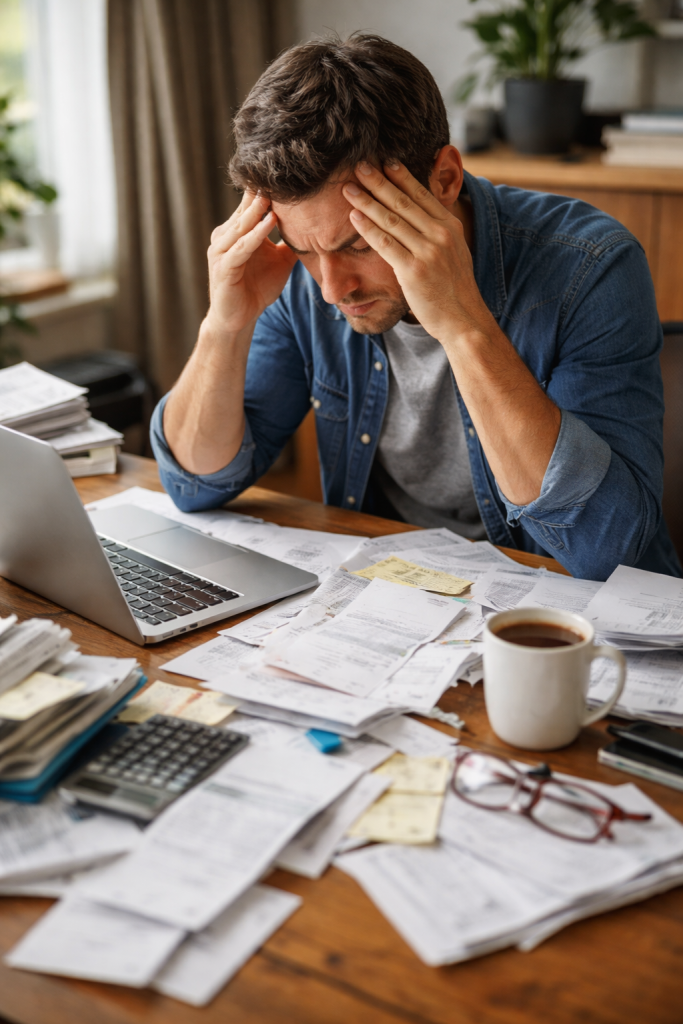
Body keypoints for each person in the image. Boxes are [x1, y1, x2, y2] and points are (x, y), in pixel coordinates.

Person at [150, 33, 681, 582]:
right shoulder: (301, 279)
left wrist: (462, 324)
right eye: (305, 250)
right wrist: (225, 325)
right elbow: (196, 484)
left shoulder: (590, 266)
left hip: (569, 620)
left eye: (359, 244)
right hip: (401, 601)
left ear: (444, 180)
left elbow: (605, 550)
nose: (332, 289)